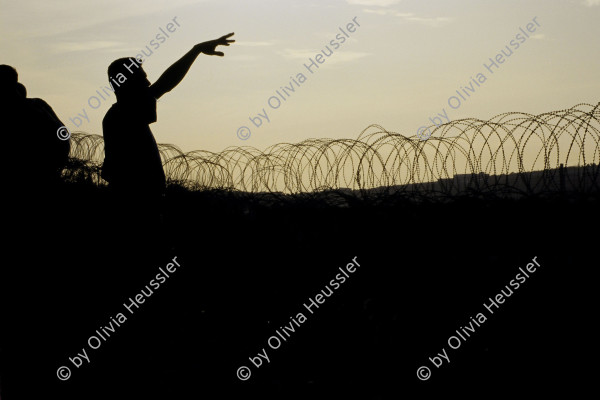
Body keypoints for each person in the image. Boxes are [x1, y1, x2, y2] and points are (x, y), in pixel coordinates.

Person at [100, 33, 235, 235]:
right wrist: (195, 50)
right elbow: (164, 85)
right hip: (135, 210)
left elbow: (161, 86)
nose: (147, 83)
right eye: (141, 78)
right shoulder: (123, 115)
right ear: (125, 83)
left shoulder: (120, 115)